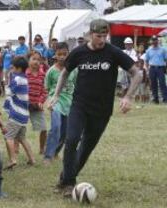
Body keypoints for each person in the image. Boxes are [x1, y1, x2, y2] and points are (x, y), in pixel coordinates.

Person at [48, 19, 142, 197]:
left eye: (105, 36)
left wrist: (128, 96)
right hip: (79, 106)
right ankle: (69, 183)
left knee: (85, 149)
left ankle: (65, 178)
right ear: (91, 34)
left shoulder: (113, 52)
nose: (102, 40)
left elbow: (137, 73)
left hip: (102, 110)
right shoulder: (79, 52)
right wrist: (56, 95)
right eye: (99, 36)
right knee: (72, 139)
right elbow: (65, 72)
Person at [43, 42, 77, 165]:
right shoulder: (51, 71)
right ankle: (48, 156)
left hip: (69, 104)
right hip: (55, 102)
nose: (62, 56)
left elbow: (77, 86)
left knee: (65, 132)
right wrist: (48, 101)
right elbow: (47, 89)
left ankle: (56, 152)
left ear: (69, 54)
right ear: (55, 55)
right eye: (59, 54)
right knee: (56, 127)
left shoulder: (74, 70)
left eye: (65, 54)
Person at [3, 57, 35, 169]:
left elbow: (8, 92)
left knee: (8, 137)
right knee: (22, 138)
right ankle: (32, 159)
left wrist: (5, 82)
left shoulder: (17, 80)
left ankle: (12, 159)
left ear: (19, 68)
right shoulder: (25, 79)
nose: (11, 69)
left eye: (13, 67)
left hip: (16, 114)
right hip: (23, 115)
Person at [26, 51, 48, 155]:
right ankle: (15, 147)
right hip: (24, 106)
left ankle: (42, 148)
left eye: (39, 60)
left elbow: (44, 91)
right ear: (28, 60)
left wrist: (40, 101)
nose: (36, 62)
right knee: (18, 127)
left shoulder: (43, 75)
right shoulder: (24, 73)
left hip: (36, 106)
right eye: (34, 59)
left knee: (43, 128)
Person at [145, 35, 167, 104]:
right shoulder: (148, 50)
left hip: (160, 68)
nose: (154, 41)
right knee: (153, 84)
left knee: (162, 83)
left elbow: (166, 59)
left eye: (155, 40)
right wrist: (147, 70)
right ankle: (155, 99)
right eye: (153, 40)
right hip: (152, 68)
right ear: (151, 41)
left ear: (157, 41)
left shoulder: (163, 49)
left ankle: (165, 98)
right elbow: (146, 61)